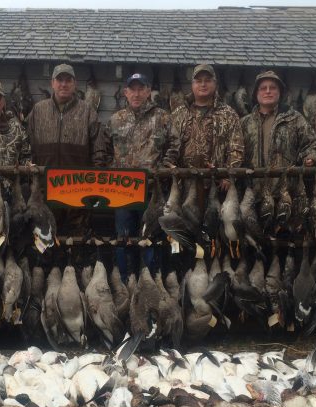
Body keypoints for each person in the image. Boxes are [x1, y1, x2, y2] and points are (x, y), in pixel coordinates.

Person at [104, 73, 176, 276]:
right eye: (132, 89)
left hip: (152, 192)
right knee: (123, 238)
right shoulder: (115, 120)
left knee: (150, 237)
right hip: (122, 191)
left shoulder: (162, 117)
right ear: (125, 93)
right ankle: (125, 282)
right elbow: (105, 149)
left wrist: (163, 168)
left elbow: (174, 144)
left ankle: (149, 281)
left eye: (140, 89)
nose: (136, 94)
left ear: (148, 91)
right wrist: (113, 171)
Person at [26, 63, 105, 233]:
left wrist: (94, 184)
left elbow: (98, 150)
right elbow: (27, 145)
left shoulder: (87, 111)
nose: (64, 84)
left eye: (68, 80)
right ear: (52, 83)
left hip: (78, 189)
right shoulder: (38, 110)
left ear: (74, 84)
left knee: (76, 238)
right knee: (45, 236)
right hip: (45, 189)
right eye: (59, 80)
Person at [240, 70, 316, 197]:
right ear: (256, 93)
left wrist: (311, 157)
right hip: (252, 195)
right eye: (263, 88)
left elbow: (311, 145)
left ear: (280, 92)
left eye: (273, 88)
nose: (268, 91)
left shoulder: (295, 119)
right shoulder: (244, 123)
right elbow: (236, 153)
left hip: (286, 194)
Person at [167, 64, 244, 182]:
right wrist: (171, 169)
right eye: (198, 81)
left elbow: (236, 149)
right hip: (184, 183)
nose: (203, 84)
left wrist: (228, 177)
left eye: (208, 80)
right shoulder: (178, 114)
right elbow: (169, 147)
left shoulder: (229, 114)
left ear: (215, 84)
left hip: (217, 183)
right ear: (192, 85)